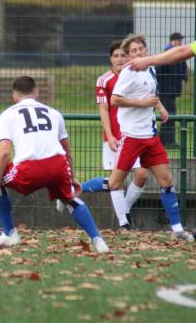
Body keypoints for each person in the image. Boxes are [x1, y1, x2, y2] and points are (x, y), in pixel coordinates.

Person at [81, 35, 194, 242]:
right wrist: (144, 104)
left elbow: (151, 93)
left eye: (141, 49)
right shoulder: (128, 73)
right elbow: (115, 100)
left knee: (166, 180)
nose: (138, 53)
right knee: (115, 183)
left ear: (146, 50)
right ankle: (74, 190)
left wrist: (159, 107)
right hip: (131, 138)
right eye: (133, 51)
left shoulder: (150, 69)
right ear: (129, 56)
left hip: (150, 137)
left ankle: (177, 230)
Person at [0, 76, 110, 253]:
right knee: (69, 198)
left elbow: (4, 152)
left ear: (14, 96)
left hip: (30, 169)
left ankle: (9, 233)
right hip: (58, 165)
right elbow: (67, 151)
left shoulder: (8, 114)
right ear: (36, 92)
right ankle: (98, 240)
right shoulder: (54, 113)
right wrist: (71, 178)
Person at [83, 40, 149, 229]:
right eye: (116, 56)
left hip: (137, 136)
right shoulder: (104, 80)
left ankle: (124, 209)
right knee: (116, 181)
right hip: (116, 137)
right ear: (111, 59)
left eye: (123, 55)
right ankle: (123, 223)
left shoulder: (139, 75)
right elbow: (104, 110)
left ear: (129, 57)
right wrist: (110, 136)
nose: (120, 59)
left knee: (142, 174)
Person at [156, 33, 188, 148]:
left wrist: (184, 77)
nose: (180, 42)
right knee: (170, 114)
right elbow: (158, 70)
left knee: (169, 114)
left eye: (180, 40)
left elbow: (183, 67)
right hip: (165, 90)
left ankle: (163, 140)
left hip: (172, 90)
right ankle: (168, 142)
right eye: (178, 40)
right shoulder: (167, 54)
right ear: (173, 41)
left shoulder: (178, 54)